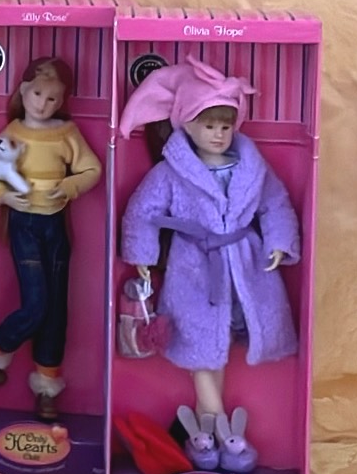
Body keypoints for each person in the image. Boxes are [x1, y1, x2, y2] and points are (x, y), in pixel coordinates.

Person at [118, 56, 299, 426]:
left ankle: (203, 430)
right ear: (187, 124)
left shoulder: (250, 166)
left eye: (225, 126)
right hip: (194, 268)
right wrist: (143, 253)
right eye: (209, 125)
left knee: (220, 344)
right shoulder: (171, 171)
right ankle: (220, 424)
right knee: (199, 341)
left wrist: (278, 242)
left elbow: (275, 202)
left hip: (245, 264)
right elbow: (142, 209)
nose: (218, 134)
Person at [0, 57, 103, 420]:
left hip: (55, 224)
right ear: (23, 90)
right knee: (37, 304)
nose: (43, 104)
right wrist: (3, 196)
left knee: (56, 310)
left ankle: (47, 385)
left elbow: (92, 168)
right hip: (24, 223)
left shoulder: (66, 133)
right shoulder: (13, 132)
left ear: (62, 100)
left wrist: (71, 186)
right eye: (38, 94)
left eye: (52, 98)